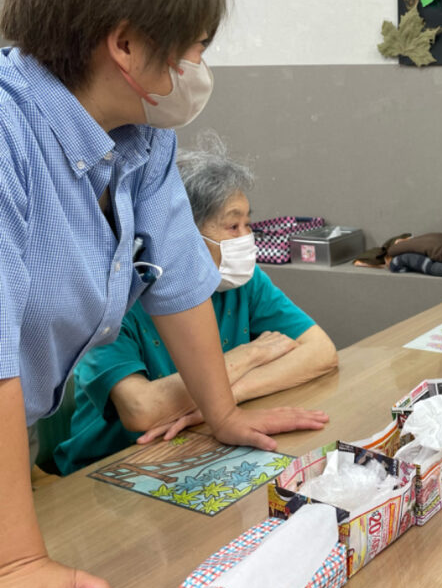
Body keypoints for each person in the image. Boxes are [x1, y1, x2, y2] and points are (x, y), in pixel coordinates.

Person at [0, 0, 327, 588]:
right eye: (193, 47)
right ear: (125, 46)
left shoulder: (142, 141)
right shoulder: (7, 134)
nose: (197, 68)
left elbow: (180, 284)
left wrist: (223, 413)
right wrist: (19, 559)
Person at [54, 134, 339, 473]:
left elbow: (321, 351)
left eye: (248, 224)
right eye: (232, 226)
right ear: (179, 233)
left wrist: (219, 405)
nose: (246, 238)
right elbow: (141, 410)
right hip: (106, 470)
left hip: (195, 443)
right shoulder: (116, 296)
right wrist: (251, 355)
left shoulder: (243, 282)